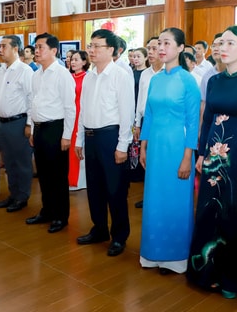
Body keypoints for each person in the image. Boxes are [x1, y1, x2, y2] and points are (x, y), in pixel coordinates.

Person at [187, 25, 237, 299]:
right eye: (221, 42)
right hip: (213, 153)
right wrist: (201, 153)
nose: (223, 47)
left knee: (233, 213)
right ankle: (204, 271)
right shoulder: (213, 80)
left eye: (231, 43)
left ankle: (231, 279)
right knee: (209, 210)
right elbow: (207, 119)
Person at [139, 27, 201, 275]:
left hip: (178, 146)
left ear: (180, 48)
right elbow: (149, 115)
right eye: (158, 44)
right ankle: (152, 253)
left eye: (167, 43)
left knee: (176, 200)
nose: (161, 48)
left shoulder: (188, 81)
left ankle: (175, 257)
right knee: (154, 199)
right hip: (155, 146)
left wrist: (188, 157)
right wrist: (143, 145)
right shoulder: (155, 79)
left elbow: (193, 121)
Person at [74, 28, 134, 257]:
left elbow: (126, 113)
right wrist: (79, 138)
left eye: (97, 46)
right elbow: (83, 110)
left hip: (111, 137)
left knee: (115, 189)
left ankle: (120, 236)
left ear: (111, 50)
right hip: (90, 136)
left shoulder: (120, 76)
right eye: (90, 45)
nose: (92, 50)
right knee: (95, 188)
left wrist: (122, 146)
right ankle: (99, 229)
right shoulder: (90, 75)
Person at [25, 33, 76, 234]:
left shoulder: (62, 74)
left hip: (56, 128)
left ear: (54, 51)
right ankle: (47, 210)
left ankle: (60, 216)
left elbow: (69, 107)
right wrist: (31, 127)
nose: (37, 51)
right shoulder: (36, 74)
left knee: (57, 175)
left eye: (41, 47)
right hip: (39, 128)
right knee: (44, 174)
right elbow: (32, 103)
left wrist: (67, 135)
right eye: (35, 47)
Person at [0, 35, 34, 213]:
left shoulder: (25, 71)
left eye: (4, 46)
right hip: (3, 123)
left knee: (21, 162)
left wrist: (29, 124)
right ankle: (13, 194)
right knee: (8, 162)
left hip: (18, 122)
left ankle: (22, 196)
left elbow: (32, 98)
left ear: (16, 49)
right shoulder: (1, 70)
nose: (0, 50)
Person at [133, 36, 162, 208]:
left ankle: (160, 196)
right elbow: (140, 102)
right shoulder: (145, 74)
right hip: (145, 120)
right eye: (148, 48)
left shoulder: (167, 73)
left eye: (154, 48)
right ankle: (149, 196)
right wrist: (137, 124)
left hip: (160, 121)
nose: (150, 52)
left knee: (159, 159)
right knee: (146, 159)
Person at [68, 50, 90, 191]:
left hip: (81, 114)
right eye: (71, 59)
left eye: (76, 59)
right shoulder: (68, 77)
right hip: (69, 114)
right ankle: (70, 178)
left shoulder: (87, 77)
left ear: (84, 62)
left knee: (78, 145)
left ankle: (80, 180)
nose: (73, 62)